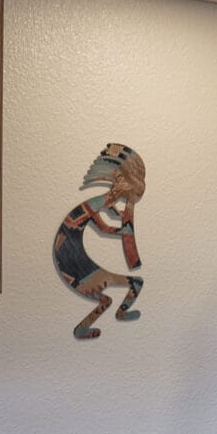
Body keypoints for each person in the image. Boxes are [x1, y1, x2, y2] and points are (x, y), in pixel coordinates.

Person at [53, 143, 146, 340]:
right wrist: (122, 231)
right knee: (112, 297)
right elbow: (102, 227)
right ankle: (83, 329)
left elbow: (106, 213)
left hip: (77, 263)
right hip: (74, 267)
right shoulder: (95, 205)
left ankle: (119, 314)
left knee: (133, 285)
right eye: (132, 195)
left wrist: (120, 219)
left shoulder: (100, 203)